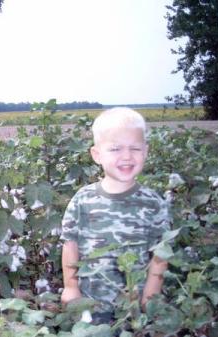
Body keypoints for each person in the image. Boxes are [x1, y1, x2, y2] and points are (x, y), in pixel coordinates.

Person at [60, 107, 170, 323]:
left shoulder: (153, 203)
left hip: (134, 307)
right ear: (97, 155)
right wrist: (70, 286)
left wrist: (150, 295)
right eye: (116, 149)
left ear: (145, 151)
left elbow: (161, 253)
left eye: (135, 148)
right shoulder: (83, 199)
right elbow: (69, 244)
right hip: (90, 305)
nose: (127, 156)